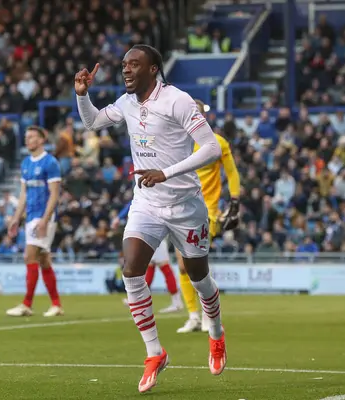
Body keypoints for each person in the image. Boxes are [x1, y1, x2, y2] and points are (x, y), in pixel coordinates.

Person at [75, 44, 227, 393]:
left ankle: (216, 333)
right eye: (124, 64)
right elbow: (92, 122)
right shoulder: (127, 103)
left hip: (186, 205)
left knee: (199, 278)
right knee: (131, 269)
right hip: (146, 202)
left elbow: (211, 148)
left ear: (154, 69)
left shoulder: (178, 100)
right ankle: (155, 352)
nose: (126, 70)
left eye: (134, 65)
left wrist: (167, 172)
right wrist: (82, 96)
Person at [176, 99, 241, 334]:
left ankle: (207, 314)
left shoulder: (217, 142)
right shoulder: (177, 142)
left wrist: (234, 200)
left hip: (207, 210)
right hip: (180, 208)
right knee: (183, 266)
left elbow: (232, 172)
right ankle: (193, 316)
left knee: (197, 264)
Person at [5, 126, 63, 318]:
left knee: (29, 257)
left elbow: (54, 195)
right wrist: (15, 218)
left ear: (41, 139)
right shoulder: (25, 164)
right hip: (30, 217)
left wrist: (45, 220)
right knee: (44, 260)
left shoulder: (50, 162)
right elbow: (23, 195)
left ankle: (26, 304)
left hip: (44, 217)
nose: (27, 140)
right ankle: (56, 305)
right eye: (26, 136)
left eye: (31, 137)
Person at [113, 201, 183, 313]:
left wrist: (119, 217)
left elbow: (133, 202)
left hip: (154, 233)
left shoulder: (148, 194)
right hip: (154, 232)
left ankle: (176, 302)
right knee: (150, 268)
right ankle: (140, 299)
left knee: (164, 267)